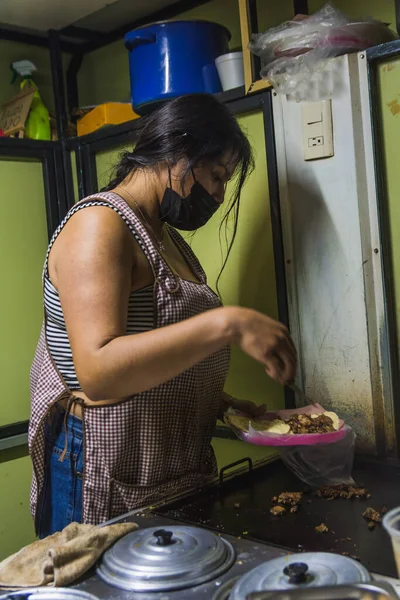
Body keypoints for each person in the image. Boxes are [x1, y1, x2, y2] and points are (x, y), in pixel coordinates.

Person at [29, 94, 296, 538]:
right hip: (100, 466)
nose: (219, 194)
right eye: (216, 175)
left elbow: (152, 348)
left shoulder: (165, 237)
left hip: (161, 463)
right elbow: (98, 371)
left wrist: (224, 404)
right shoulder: (100, 224)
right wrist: (226, 323)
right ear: (177, 152)